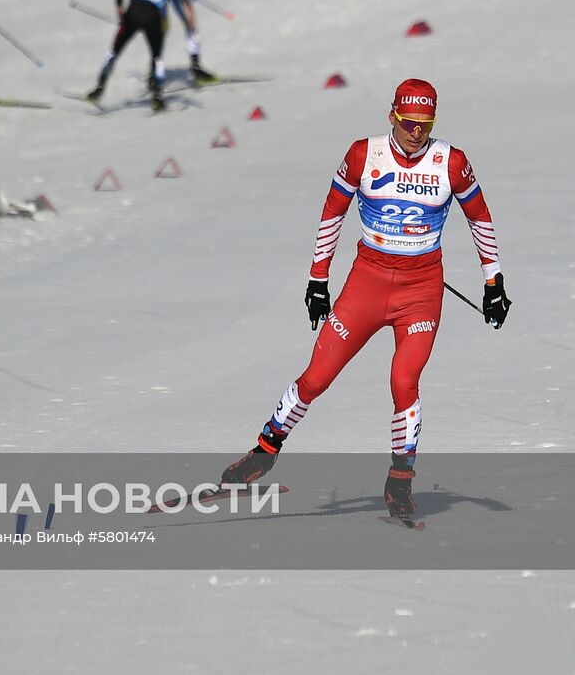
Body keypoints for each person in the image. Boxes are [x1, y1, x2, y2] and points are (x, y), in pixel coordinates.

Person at [219, 79, 511, 523]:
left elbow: (480, 218)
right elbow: (332, 211)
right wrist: (318, 280)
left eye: (425, 124)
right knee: (317, 377)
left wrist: (494, 282)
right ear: (392, 116)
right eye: (409, 123)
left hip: (420, 291)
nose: (417, 133)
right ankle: (264, 450)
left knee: (403, 380)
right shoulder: (363, 154)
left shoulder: (451, 162)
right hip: (367, 284)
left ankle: (400, 481)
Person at [86, 0, 197, 111]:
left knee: (114, 52)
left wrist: (120, 12)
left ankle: (99, 87)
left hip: (132, 12)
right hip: (153, 16)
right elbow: (184, 1)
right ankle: (157, 96)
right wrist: (191, 23)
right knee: (157, 57)